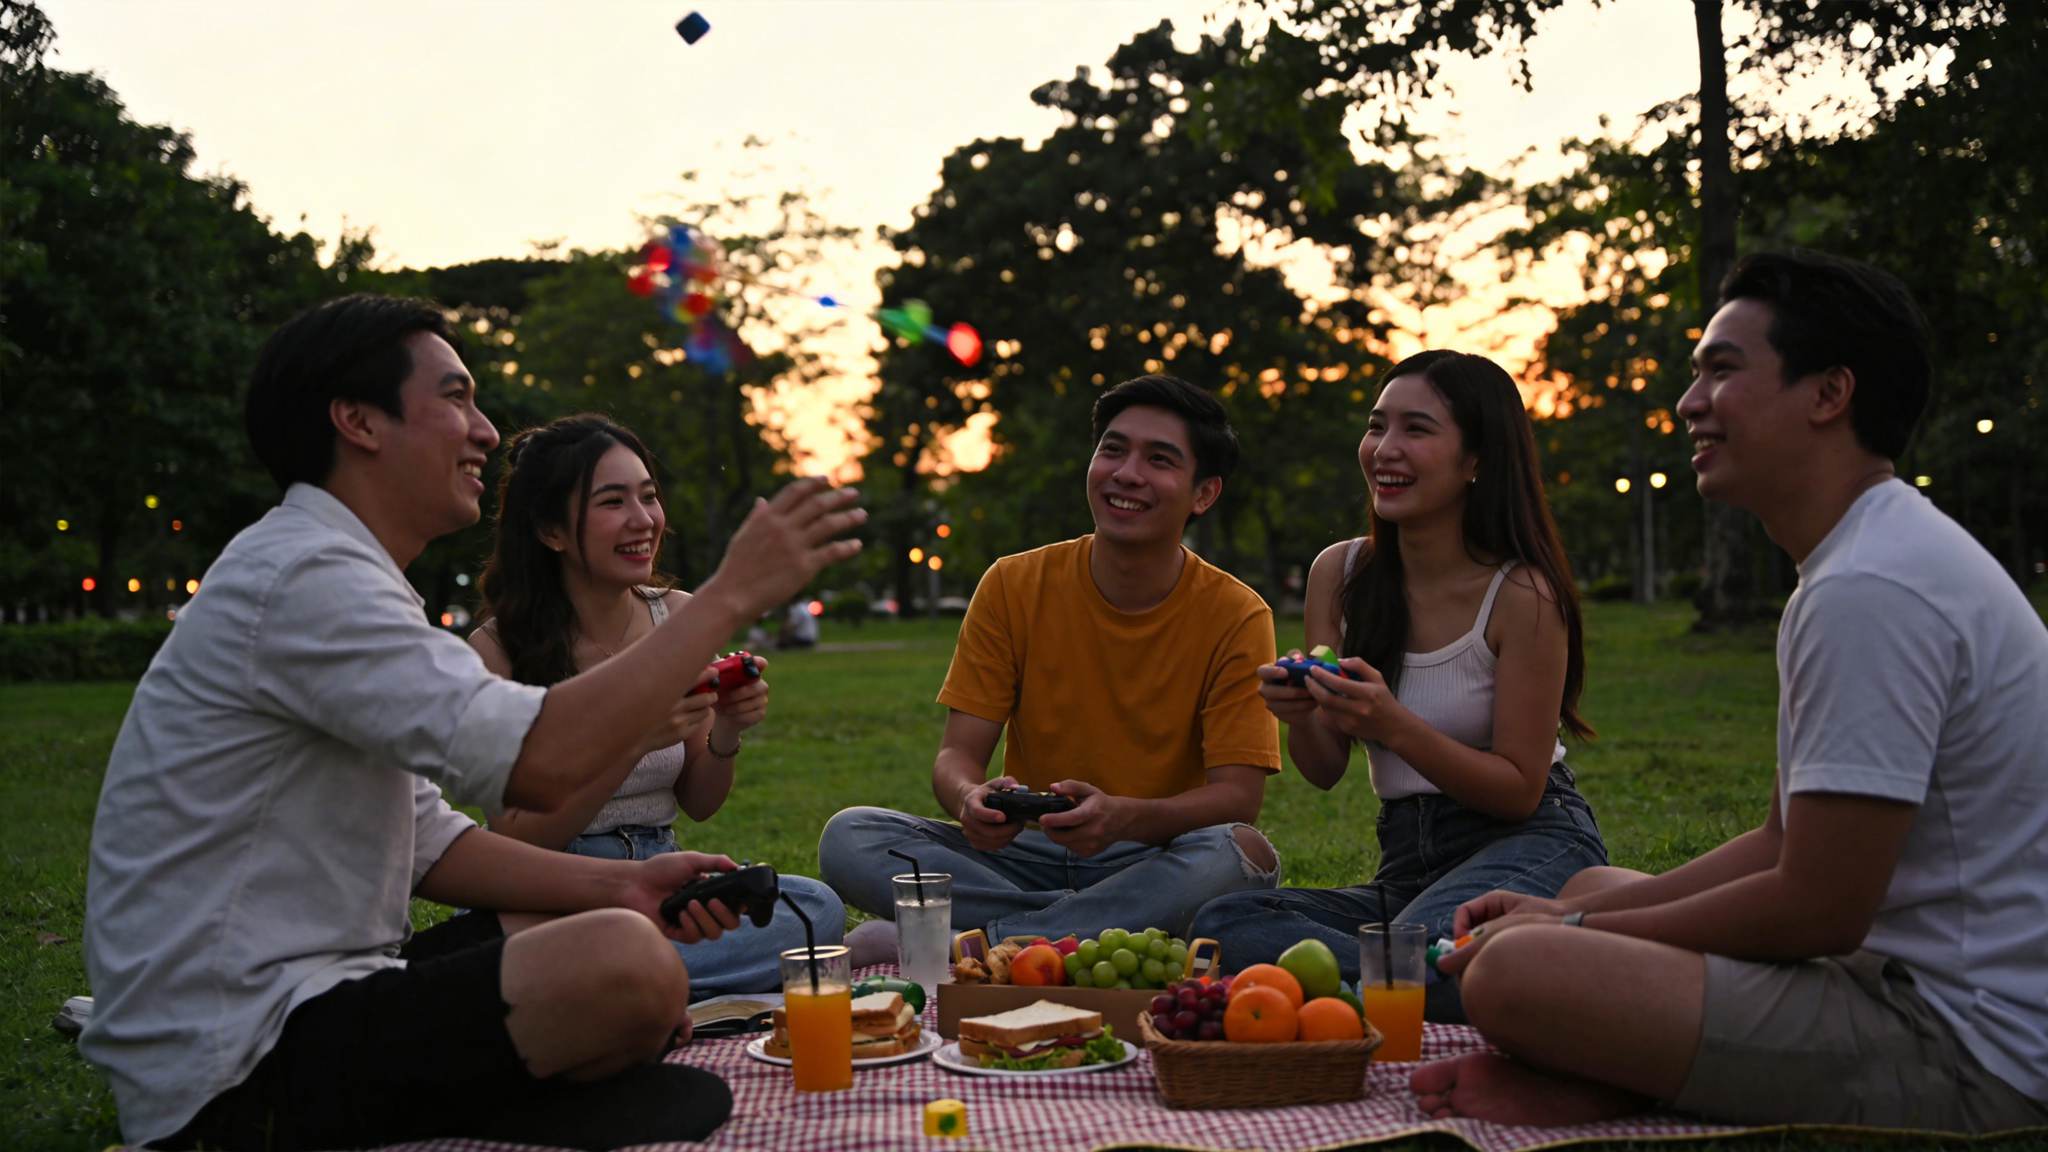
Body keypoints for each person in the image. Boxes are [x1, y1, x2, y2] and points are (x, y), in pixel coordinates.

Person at [81, 295, 864, 1151]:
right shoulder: (305, 576)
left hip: (332, 995)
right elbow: (540, 762)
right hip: (235, 1059)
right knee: (626, 964)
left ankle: (498, 1094)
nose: (486, 432)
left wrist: (627, 888)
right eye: (455, 398)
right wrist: (731, 595)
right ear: (358, 421)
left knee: (604, 941)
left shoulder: (346, 576)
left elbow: (429, 843)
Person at [1412, 251, 2048, 1133]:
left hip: (1966, 1043)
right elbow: (1784, 843)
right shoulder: (1868, 558)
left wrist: (1575, 937)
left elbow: (1819, 910)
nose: (1689, 403)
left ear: (1829, 394)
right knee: (1590, 881)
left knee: (1518, 973)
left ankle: (1622, 1073)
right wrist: (1572, 907)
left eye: (1722, 370)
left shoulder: (1871, 588)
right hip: (1892, 976)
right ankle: (1622, 1070)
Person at [1188, 349, 1607, 1023]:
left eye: (1417, 429)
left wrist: (1393, 725)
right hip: (1410, 864)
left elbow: (1519, 789)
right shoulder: (1340, 574)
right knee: (1225, 923)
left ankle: (1462, 968)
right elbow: (1324, 769)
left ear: (1476, 460)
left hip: (1529, 842)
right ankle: (1427, 975)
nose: (1385, 449)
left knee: (1415, 963)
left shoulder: (1523, 594)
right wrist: (1302, 713)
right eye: (1377, 425)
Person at [818, 374, 1283, 946]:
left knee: (1242, 854)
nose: (1126, 473)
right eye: (1113, 450)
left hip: (1151, 853)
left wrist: (1123, 817)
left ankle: (982, 941)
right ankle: (1082, 928)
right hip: (1021, 854)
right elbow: (957, 756)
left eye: (1158, 460)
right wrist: (970, 798)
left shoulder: (1237, 614)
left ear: (1204, 494)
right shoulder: (1013, 584)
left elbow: (1238, 798)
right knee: (850, 836)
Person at [467, 413, 844, 998]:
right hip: (560, 895)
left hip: (665, 880)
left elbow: (700, 803)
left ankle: (624, 985)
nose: (643, 520)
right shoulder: (497, 650)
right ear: (551, 531)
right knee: (545, 951)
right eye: (612, 502)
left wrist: (726, 729)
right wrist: (632, 741)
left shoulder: (677, 616)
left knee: (813, 907)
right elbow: (518, 840)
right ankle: (627, 981)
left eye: (648, 496)